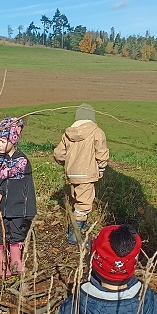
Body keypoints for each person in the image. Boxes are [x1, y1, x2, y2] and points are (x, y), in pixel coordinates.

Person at [0, 117, 37, 276]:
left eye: (2, 141)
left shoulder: (23, 160)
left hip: (17, 207)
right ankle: (1, 263)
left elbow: (28, 186)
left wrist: (29, 210)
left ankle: (16, 262)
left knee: (16, 232)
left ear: (14, 140)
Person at [53, 104, 109, 244]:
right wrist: (101, 168)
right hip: (87, 173)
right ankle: (74, 235)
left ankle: (80, 224)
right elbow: (101, 153)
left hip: (72, 174)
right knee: (84, 204)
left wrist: (67, 164)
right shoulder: (97, 132)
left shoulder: (68, 134)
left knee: (77, 198)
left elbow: (59, 154)